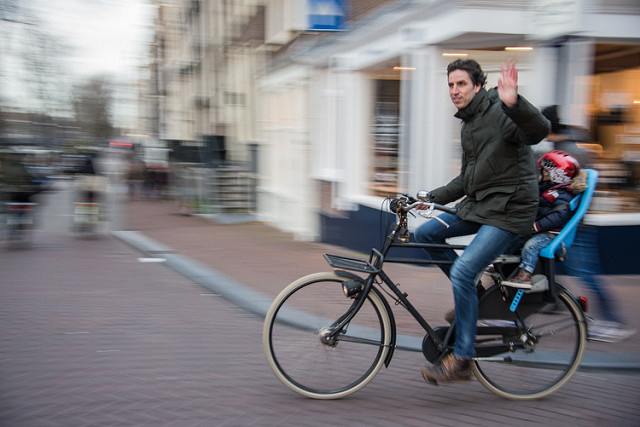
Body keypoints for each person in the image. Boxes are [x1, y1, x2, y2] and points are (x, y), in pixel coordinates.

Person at [416, 59, 550, 384]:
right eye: (450, 85)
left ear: (477, 86)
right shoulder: (469, 124)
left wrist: (515, 103)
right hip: (482, 207)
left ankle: (462, 358)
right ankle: (473, 297)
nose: (454, 91)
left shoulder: (500, 112)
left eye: (460, 84)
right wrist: (430, 198)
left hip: (509, 212)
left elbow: (538, 130)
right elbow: (467, 179)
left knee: (462, 270)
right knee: (426, 234)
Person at [540, 106, 636, 342]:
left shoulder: (567, 153)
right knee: (553, 265)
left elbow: (570, 191)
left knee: (586, 273)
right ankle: (551, 301)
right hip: (571, 223)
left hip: (573, 225)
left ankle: (614, 321)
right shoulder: (569, 147)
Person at [502, 150, 582, 288]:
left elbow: (558, 216)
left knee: (531, 246)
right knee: (512, 238)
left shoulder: (561, 194)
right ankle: (501, 263)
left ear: (557, 175)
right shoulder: (549, 189)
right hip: (541, 230)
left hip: (550, 234)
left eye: (545, 172)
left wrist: (537, 226)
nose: (541, 175)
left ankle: (525, 275)